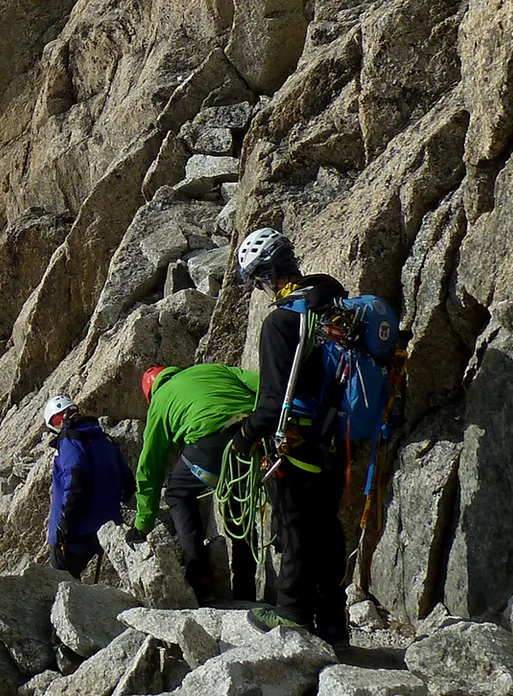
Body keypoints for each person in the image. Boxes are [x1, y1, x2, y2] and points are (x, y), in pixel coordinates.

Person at [234, 226, 351, 644]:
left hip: (296, 445)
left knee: (295, 526)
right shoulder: (332, 310)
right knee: (326, 526)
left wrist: (246, 435)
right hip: (335, 440)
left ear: (265, 277)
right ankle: (334, 621)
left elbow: (271, 405)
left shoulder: (281, 323)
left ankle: (293, 614)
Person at [130, 363, 260, 604]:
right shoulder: (214, 369)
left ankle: (201, 581)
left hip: (211, 446)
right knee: (239, 507)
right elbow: (261, 383)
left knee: (177, 495)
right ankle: (246, 591)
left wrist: (142, 524)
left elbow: (150, 467)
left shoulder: (160, 401)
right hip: (255, 435)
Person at [43, 395, 132, 576]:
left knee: (62, 586)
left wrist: (65, 520)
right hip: (107, 528)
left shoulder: (69, 438)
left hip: (75, 530)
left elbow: (75, 477)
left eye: (58, 420)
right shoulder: (104, 440)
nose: (60, 424)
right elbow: (128, 484)